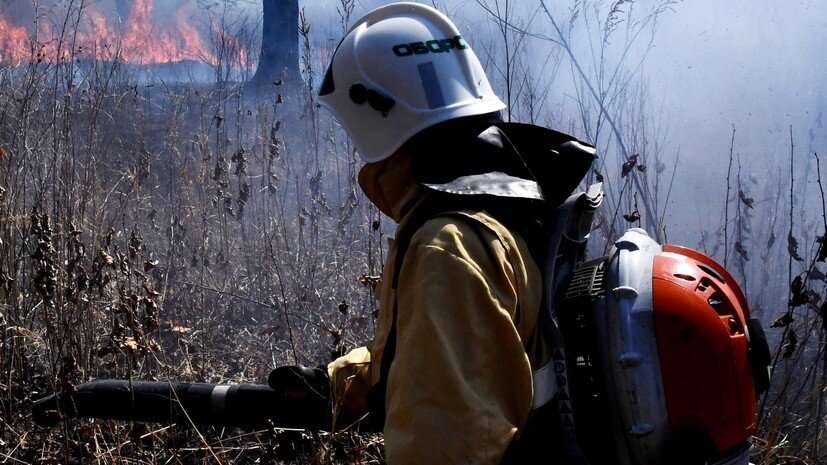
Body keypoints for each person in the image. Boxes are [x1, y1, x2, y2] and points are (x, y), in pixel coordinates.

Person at [276, 3, 595, 464]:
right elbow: (469, 353)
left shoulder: (447, 247)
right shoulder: (505, 205)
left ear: (377, 118)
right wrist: (348, 382)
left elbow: (445, 443)